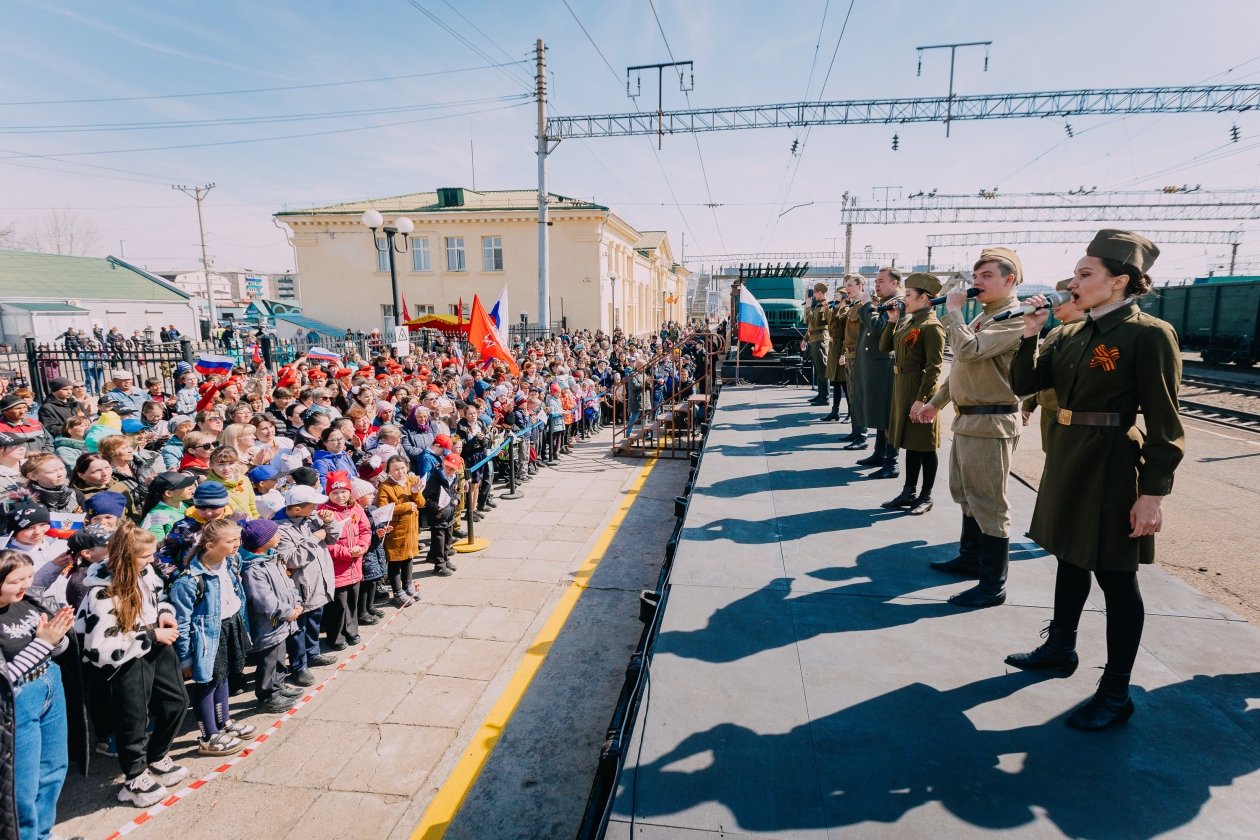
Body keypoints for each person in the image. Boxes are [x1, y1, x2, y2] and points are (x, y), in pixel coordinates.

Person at [1005, 230, 1184, 731]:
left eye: (1086, 274)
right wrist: (1030, 333)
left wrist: (1152, 493)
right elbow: (1024, 384)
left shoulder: (1148, 334)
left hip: (1110, 465)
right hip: (1068, 457)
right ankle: (1060, 647)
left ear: (1120, 281)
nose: (1074, 283)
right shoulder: (1071, 333)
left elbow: (1166, 423)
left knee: (1116, 577)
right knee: (1070, 556)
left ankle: (1116, 691)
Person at [917, 248, 1025, 608]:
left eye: (987, 276)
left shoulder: (1014, 317)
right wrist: (935, 403)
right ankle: (970, 558)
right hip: (969, 419)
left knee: (989, 502)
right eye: (975, 277)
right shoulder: (984, 316)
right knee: (965, 493)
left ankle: (993, 585)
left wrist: (953, 313)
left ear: (1009, 280)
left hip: (992, 421)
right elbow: (962, 370)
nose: (977, 283)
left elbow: (969, 351)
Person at [76, 521, 190, 808]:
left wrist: (164, 613)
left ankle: (157, 755)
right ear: (126, 557)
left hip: (156, 645)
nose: (152, 560)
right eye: (145, 556)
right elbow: (101, 645)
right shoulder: (102, 593)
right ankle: (134, 776)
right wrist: (151, 635)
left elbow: (158, 598)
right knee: (134, 717)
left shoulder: (146, 573)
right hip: (127, 658)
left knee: (176, 701)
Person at [0, 549, 76, 840]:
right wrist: (44, 643)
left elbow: (56, 648)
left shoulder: (30, 599)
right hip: (17, 701)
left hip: (50, 684)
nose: (25, 585)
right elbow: (5, 677)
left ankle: (43, 833)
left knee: (54, 769)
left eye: (29, 577)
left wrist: (59, 636)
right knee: (22, 785)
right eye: (15, 581)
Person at [168, 519, 255, 757]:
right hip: (207, 637)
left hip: (228, 625)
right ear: (209, 545)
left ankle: (223, 721)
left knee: (222, 675)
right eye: (231, 541)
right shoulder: (188, 581)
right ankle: (208, 735)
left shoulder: (230, 562)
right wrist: (185, 658)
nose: (237, 544)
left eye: (238, 539)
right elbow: (182, 622)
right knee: (207, 684)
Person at [878, 273, 946, 516]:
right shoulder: (909, 322)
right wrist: (892, 321)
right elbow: (884, 347)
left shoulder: (931, 327)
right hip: (902, 389)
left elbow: (934, 368)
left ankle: (926, 496)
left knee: (925, 446)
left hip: (919, 390)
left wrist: (922, 400)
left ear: (924, 298)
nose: (903, 299)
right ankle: (909, 492)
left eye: (908, 295)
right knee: (911, 445)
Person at [274, 485, 339, 684]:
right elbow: (292, 560)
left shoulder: (312, 519)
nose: (316, 508)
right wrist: (313, 538)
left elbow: (332, 539)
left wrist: (329, 522)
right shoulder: (281, 530)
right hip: (301, 589)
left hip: (319, 584)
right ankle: (298, 666)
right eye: (311, 505)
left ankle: (313, 653)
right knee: (298, 630)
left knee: (314, 622)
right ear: (296, 509)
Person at [237, 518, 301, 710]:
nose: (279, 535)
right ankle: (267, 696)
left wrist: (296, 602)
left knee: (280, 657)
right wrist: (287, 612)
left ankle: (278, 686)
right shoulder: (253, 569)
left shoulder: (272, 558)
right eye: (275, 534)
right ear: (262, 542)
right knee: (269, 661)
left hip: (281, 623)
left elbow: (288, 584)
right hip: (269, 625)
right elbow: (264, 600)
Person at [1019, 280, 1087, 451]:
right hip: (1049, 409)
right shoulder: (1057, 331)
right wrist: (1028, 407)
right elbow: (1040, 371)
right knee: (1051, 455)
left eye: (1062, 298)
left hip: (1068, 412)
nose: (1055, 304)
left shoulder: (1086, 332)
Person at [851, 268, 903, 478]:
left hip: (886, 367)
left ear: (895, 283)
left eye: (881, 281)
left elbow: (879, 328)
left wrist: (866, 306)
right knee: (882, 412)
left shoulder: (897, 303)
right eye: (876, 281)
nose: (876, 285)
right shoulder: (886, 302)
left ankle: (892, 462)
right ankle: (879, 454)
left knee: (888, 415)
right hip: (877, 365)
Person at [318, 471, 370, 651]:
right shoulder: (323, 513)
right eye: (335, 493)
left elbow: (365, 530)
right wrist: (347, 552)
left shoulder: (356, 508)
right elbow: (325, 543)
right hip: (336, 568)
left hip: (355, 565)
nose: (340, 496)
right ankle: (336, 636)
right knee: (338, 605)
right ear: (328, 494)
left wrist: (362, 546)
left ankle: (351, 630)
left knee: (352, 601)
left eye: (343, 492)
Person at [376, 455, 425, 600]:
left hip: (411, 529)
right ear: (389, 471)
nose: (400, 472)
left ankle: (408, 585)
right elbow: (383, 509)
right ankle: (397, 590)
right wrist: (405, 506)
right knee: (395, 561)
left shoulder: (411, 481)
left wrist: (415, 492)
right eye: (395, 469)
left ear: (407, 467)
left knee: (409, 558)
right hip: (396, 531)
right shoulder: (385, 486)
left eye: (403, 468)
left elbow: (421, 503)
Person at [352, 478, 389, 627]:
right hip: (366, 553)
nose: (374, 495)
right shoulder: (356, 513)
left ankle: (370, 606)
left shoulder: (372, 509)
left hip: (375, 550)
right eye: (370, 494)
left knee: (374, 580)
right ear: (359, 498)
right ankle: (362, 612)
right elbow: (360, 534)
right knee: (365, 583)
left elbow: (378, 525)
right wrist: (375, 534)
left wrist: (383, 530)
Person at [424, 453, 461, 578]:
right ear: (443, 464)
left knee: (447, 540)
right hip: (438, 516)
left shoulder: (455, 477)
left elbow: (458, 490)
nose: (449, 470)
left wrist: (457, 499)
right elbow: (426, 497)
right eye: (447, 467)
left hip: (450, 514)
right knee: (438, 542)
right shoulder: (436, 478)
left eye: (452, 468)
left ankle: (445, 560)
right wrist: (436, 507)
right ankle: (439, 566)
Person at [821, 285, 850, 422]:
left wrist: (844, 352)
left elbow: (847, 334)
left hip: (841, 346)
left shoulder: (846, 310)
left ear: (844, 297)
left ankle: (851, 413)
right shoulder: (835, 309)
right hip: (834, 347)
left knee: (845, 383)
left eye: (837, 295)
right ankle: (835, 411)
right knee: (836, 382)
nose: (834, 297)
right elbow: (827, 322)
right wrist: (828, 309)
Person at [139, 472, 197, 540]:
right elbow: (156, 545)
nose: (190, 487)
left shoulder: (185, 505)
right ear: (168, 493)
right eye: (184, 485)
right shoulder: (156, 517)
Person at [802, 282, 831, 407]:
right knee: (819, 369)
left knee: (823, 368)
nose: (813, 295)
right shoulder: (818, 305)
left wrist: (808, 307)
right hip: (815, 338)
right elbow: (811, 326)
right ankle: (821, 394)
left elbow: (814, 321)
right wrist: (805, 339)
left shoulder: (824, 305)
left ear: (820, 292)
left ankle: (825, 396)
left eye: (815, 292)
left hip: (821, 339)